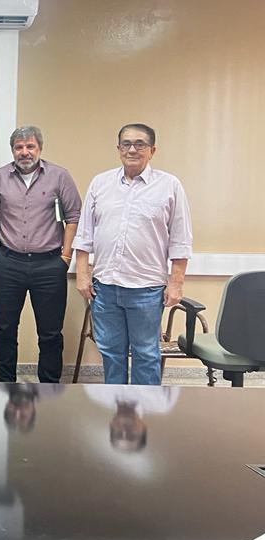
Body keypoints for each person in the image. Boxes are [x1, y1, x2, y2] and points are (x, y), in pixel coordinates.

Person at [73, 124, 192, 385]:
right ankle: (116, 403)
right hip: (105, 287)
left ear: (152, 150)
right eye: (126, 144)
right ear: (118, 149)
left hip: (146, 289)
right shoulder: (100, 183)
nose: (132, 149)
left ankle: (144, 408)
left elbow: (181, 240)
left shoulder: (169, 186)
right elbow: (84, 235)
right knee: (111, 354)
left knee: (146, 354)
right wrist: (82, 275)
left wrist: (176, 283)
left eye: (139, 144)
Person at [0, 125, 82, 383]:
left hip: (49, 265)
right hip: (8, 263)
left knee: (50, 333)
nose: (24, 152)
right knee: (4, 329)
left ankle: (49, 387)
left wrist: (65, 258)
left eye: (30, 146)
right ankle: (6, 385)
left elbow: (73, 217)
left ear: (40, 148)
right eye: (19, 147)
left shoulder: (59, 176)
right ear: (12, 150)